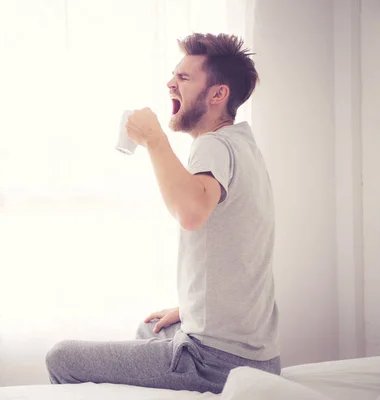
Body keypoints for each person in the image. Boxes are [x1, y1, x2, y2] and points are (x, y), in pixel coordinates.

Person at [45, 32, 280, 394]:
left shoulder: (212, 145)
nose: (170, 83)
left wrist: (155, 140)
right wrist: (192, 309)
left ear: (218, 94)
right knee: (150, 328)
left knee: (61, 358)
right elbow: (237, 249)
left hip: (216, 362)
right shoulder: (242, 144)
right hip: (260, 357)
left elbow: (190, 213)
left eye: (184, 78)